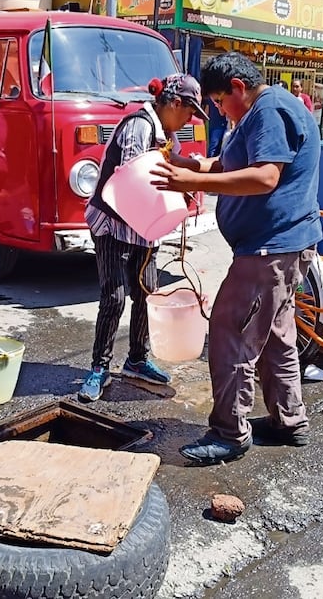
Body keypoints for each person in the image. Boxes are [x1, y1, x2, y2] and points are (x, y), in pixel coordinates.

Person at [150, 52, 322, 465]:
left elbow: (266, 176)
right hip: (277, 248)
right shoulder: (258, 114)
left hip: (270, 249)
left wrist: (196, 180)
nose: (217, 110)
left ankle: (229, 432)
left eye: (218, 102)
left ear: (239, 89)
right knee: (276, 336)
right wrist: (192, 164)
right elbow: (229, 164)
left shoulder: (270, 110)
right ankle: (287, 420)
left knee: (231, 332)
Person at [79, 73, 210, 403]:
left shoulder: (167, 133)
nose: (189, 120)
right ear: (174, 103)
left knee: (147, 292)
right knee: (115, 297)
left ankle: (137, 359)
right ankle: (99, 367)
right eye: (189, 112)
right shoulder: (139, 125)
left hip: (144, 225)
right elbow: (133, 183)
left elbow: (170, 173)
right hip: (113, 221)